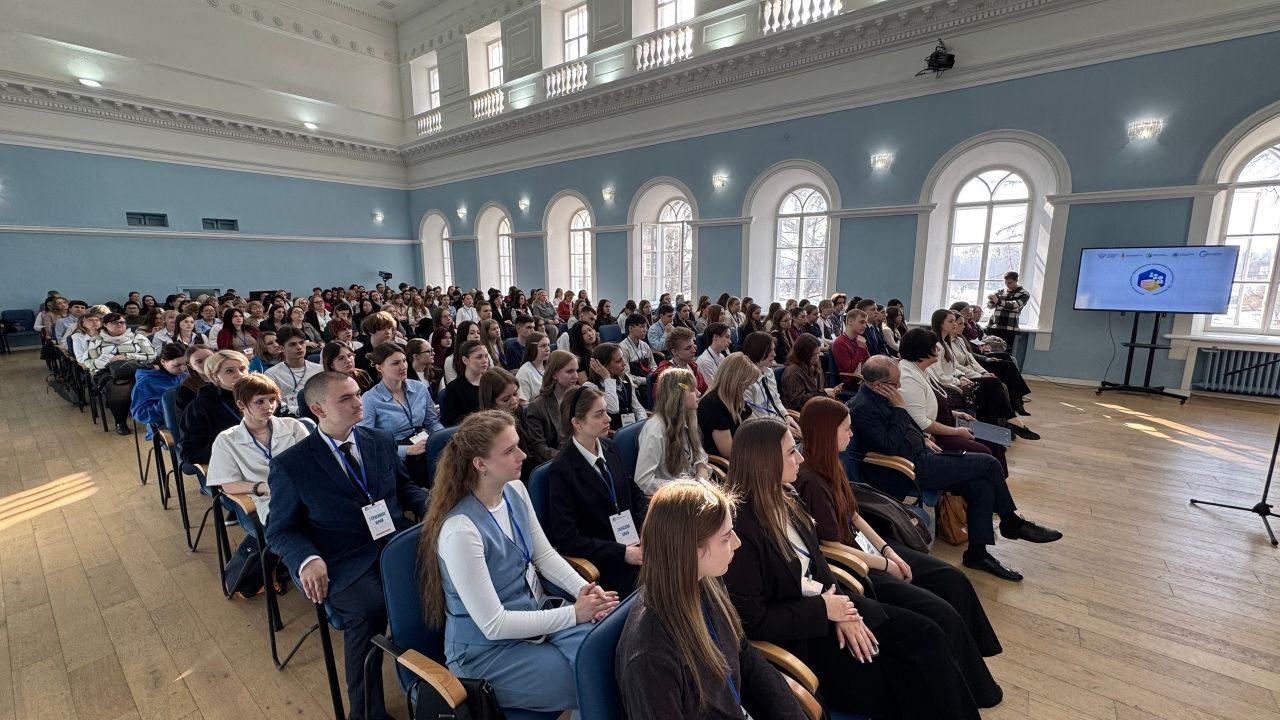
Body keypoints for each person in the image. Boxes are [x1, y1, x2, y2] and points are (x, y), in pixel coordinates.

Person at [722, 418, 985, 719]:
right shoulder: (740, 529)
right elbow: (753, 621)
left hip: (829, 606)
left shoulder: (787, 497)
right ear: (765, 462)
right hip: (802, 637)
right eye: (791, 452)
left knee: (927, 634)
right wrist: (825, 611)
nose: (800, 459)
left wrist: (844, 612)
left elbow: (818, 565)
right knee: (907, 666)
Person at [792, 397, 1003, 705]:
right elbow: (831, 546)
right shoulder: (809, 479)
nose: (851, 434)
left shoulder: (832, 462)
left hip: (868, 551)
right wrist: (884, 564)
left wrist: (888, 549)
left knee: (952, 579)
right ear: (827, 433)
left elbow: (854, 516)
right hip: (854, 566)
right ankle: (973, 688)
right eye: (846, 429)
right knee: (939, 613)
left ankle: (972, 670)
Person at [417, 410, 618, 714]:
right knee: (594, 680)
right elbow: (494, 625)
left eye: (518, 445)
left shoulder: (515, 490)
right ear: (480, 464)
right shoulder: (460, 531)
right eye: (510, 450)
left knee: (610, 656)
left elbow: (544, 556)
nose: (523, 455)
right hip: (487, 652)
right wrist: (574, 614)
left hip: (532, 617)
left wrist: (586, 591)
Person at [267, 371, 428, 720]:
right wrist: (307, 558)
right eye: (346, 398)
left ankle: (438, 686)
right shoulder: (291, 465)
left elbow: (406, 489)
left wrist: (437, 510)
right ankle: (367, 713)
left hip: (396, 543)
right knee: (370, 610)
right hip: (343, 556)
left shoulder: (379, 440)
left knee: (442, 584)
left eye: (357, 394)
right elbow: (280, 530)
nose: (358, 402)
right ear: (318, 409)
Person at [848, 356, 1062, 581]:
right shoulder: (863, 408)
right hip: (906, 470)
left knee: (981, 486)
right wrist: (900, 409)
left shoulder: (883, 396)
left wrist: (923, 438)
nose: (899, 386)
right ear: (879, 385)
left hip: (921, 456)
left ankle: (977, 554)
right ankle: (1011, 522)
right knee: (989, 463)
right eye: (895, 383)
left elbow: (905, 428)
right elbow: (888, 445)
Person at [617, 480, 808, 719]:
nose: (737, 543)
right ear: (691, 550)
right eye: (726, 538)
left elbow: (742, 652)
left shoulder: (707, 582)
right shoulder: (651, 657)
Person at [545, 385, 649, 597]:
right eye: (599, 414)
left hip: (636, 543)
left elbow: (633, 492)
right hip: (606, 561)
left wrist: (648, 525)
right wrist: (622, 553)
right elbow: (567, 539)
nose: (608, 419)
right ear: (577, 423)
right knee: (662, 587)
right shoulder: (562, 471)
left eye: (606, 412)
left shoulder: (610, 447)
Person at [898, 328, 1008, 474]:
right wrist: (957, 431)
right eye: (934, 347)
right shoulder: (908, 378)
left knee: (995, 439)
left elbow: (930, 402)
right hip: (933, 435)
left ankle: (996, 481)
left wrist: (955, 414)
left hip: (947, 421)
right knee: (984, 451)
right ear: (922, 350)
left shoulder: (923, 369)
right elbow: (921, 422)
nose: (938, 349)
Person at [207, 373, 311, 526]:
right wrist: (263, 487)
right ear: (241, 404)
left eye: (272, 400)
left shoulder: (293, 426)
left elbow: (312, 463)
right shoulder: (227, 440)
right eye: (259, 401)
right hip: (269, 500)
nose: (268, 406)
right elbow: (228, 485)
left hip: (305, 492)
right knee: (303, 522)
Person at [929, 309, 1038, 439]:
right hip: (949, 385)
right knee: (993, 382)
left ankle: (998, 431)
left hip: (957, 379)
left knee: (986, 392)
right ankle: (1011, 420)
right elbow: (939, 376)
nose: (955, 324)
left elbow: (953, 368)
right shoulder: (937, 346)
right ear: (940, 323)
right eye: (951, 321)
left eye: (955, 321)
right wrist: (960, 380)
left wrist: (961, 375)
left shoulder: (946, 343)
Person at [359, 342, 445, 486]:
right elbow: (368, 442)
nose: (403, 366)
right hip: (395, 451)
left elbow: (432, 422)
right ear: (380, 367)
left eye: (404, 360)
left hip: (423, 442)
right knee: (432, 474)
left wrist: (441, 438)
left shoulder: (419, 388)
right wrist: (406, 451)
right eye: (396, 363)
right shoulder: (370, 398)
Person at [634, 368, 711, 495]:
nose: (698, 393)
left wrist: (701, 467)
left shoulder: (689, 417)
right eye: (692, 390)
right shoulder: (655, 430)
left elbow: (699, 452)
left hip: (692, 489)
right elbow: (643, 481)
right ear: (678, 395)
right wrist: (684, 487)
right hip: (674, 497)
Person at [87, 312, 158, 435]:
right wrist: (110, 360)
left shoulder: (138, 337)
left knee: (152, 384)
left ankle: (155, 419)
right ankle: (120, 421)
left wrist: (127, 356)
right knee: (121, 388)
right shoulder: (96, 341)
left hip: (137, 368)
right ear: (105, 325)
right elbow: (89, 362)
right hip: (110, 372)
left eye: (122, 322)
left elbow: (152, 355)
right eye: (115, 322)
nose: (119, 324)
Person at [178, 350, 249, 464]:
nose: (240, 375)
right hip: (229, 461)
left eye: (242, 369)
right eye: (229, 371)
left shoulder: (259, 396)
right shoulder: (201, 406)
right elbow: (189, 452)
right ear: (214, 376)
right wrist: (233, 453)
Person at [478, 368, 539, 482]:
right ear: (491, 403)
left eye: (515, 394)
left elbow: (531, 448)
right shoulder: (487, 429)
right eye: (506, 399)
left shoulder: (518, 410)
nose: (514, 401)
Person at [696, 353, 758, 458]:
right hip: (730, 463)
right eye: (745, 385)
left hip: (745, 453)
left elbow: (757, 425)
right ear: (735, 381)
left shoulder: (735, 398)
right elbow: (729, 451)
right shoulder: (712, 405)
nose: (747, 388)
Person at [524, 350, 578, 463]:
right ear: (554, 374)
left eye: (576, 370)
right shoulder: (537, 406)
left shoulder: (578, 397)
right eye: (569, 371)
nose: (576, 376)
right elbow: (540, 448)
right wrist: (569, 457)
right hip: (558, 461)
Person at [129, 343, 188, 441]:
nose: (182, 369)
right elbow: (140, 415)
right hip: (164, 428)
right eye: (177, 365)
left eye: (185, 364)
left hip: (187, 421)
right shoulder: (146, 382)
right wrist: (167, 405)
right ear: (163, 362)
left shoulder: (185, 376)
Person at [264, 327, 323, 415]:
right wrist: (297, 410)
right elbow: (273, 401)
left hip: (316, 413)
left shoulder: (319, 370)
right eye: (292, 344)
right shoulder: (271, 374)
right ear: (282, 348)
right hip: (287, 416)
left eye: (302, 343)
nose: (299, 347)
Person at [780, 333, 839, 412]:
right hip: (802, 412)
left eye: (818, 353)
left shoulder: (814, 365)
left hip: (816, 407)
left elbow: (818, 390)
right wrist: (824, 394)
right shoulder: (792, 372)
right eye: (814, 354)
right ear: (804, 353)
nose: (817, 357)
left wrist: (831, 391)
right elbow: (798, 402)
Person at [439, 339, 490, 426]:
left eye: (486, 356)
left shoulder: (491, 382)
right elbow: (452, 421)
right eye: (479, 357)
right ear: (465, 360)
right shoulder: (454, 388)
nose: (485, 361)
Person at [654, 327, 707, 395]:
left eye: (693, 346)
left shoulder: (693, 367)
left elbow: (705, 390)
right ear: (674, 352)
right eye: (688, 348)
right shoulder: (666, 376)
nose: (694, 351)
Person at [830, 308, 871, 391]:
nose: (864, 326)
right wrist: (860, 348)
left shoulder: (860, 340)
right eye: (861, 322)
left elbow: (869, 362)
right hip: (850, 382)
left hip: (862, 377)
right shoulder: (839, 343)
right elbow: (849, 370)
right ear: (850, 322)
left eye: (865, 323)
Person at [985, 271, 1029, 346]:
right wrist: (991, 300)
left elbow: (1015, 306)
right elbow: (989, 306)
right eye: (1005, 282)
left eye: (1010, 283)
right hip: (994, 326)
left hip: (1009, 328)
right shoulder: (1000, 291)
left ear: (1016, 280)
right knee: (988, 348)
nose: (1007, 285)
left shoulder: (1024, 294)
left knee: (1005, 349)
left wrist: (998, 302)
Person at [618, 313, 656, 389]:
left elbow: (653, 365)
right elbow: (626, 375)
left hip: (649, 380)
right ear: (631, 328)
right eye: (642, 327)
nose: (645, 330)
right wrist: (647, 380)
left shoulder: (645, 345)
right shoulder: (622, 348)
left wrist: (654, 375)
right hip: (635, 385)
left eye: (645, 326)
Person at [176, 344, 214, 411]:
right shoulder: (186, 390)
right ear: (191, 367)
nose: (207, 363)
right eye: (199, 362)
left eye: (210, 358)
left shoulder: (226, 378)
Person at [516, 331, 550, 403]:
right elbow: (523, 403)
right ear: (532, 348)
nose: (548, 349)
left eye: (548, 345)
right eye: (543, 346)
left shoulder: (549, 366)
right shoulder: (525, 372)